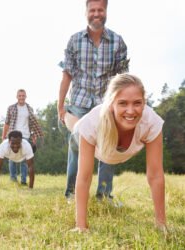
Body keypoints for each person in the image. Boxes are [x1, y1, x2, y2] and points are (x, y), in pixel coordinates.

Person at [71, 73, 166, 231]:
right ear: (111, 105)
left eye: (137, 103)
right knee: (73, 129)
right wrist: (81, 226)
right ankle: (67, 117)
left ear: (144, 103)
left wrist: (161, 224)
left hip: (111, 153)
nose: (130, 111)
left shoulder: (151, 122)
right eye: (123, 103)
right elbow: (85, 177)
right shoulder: (92, 123)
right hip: (81, 137)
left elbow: (155, 175)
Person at [57, 0, 129, 202]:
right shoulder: (74, 41)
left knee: (108, 143)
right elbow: (67, 76)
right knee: (77, 143)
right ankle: (72, 192)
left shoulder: (118, 42)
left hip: (106, 102)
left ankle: (104, 194)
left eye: (100, 10)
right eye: (92, 10)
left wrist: (122, 106)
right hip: (79, 102)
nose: (96, 13)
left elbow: (122, 79)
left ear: (106, 12)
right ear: (86, 12)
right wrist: (60, 106)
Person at [2, 89, 43, 185]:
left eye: (23, 95)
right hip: (13, 136)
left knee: (24, 158)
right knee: (12, 158)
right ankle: (13, 179)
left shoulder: (29, 109)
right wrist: (3, 136)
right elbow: (7, 123)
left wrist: (33, 136)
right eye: (19, 96)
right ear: (17, 97)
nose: (21, 97)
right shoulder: (11, 108)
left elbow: (32, 124)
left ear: (25, 96)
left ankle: (23, 180)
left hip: (25, 136)